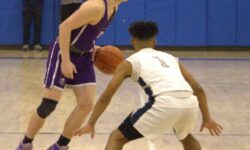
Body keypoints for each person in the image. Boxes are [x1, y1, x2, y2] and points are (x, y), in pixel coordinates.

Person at [74, 21, 223, 150]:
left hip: (163, 104)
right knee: (185, 136)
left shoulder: (130, 62)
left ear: (132, 41)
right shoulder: (171, 58)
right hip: (189, 104)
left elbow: (106, 97)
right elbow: (198, 89)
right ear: (155, 41)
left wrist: (91, 123)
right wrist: (207, 118)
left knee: (117, 137)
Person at [16, 0, 127, 150]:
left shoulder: (114, 8)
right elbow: (65, 27)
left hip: (85, 56)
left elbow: (86, 31)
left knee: (86, 105)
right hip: (64, 51)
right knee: (48, 105)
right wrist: (66, 61)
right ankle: (25, 143)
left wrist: (93, 47)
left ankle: (59, 146)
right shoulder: (96, 6)